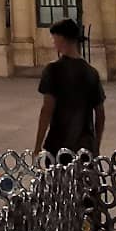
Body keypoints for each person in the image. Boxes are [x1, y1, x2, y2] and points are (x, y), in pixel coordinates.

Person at [34, 17, 105, 159]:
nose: (54, 44)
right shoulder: (91, 72)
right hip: (85, 146)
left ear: (61, 38)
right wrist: (96, 146)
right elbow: (100, 115)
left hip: (58, 144)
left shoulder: (53, 69)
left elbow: (47, 110)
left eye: (54, 39)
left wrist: (37, 146)